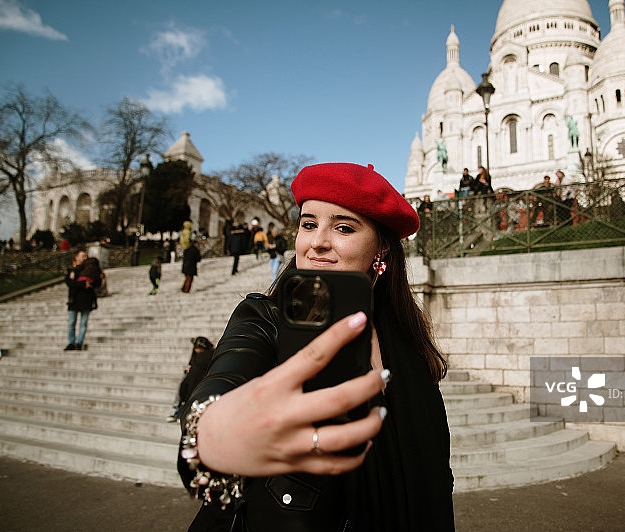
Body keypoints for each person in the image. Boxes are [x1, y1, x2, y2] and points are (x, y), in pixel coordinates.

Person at [177, 162, 454, 531]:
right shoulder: (263, 318)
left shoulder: (410, 348)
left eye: (343, 227)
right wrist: (211, 433)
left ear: (382, 249)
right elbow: (225, 377)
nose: (317, 241)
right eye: (308, 224)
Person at [167, 336, 216, 422]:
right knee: (184, 385)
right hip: (192, 376)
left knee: (186, 386)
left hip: (198, 378)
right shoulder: (197, 356)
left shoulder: (207, 355)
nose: (197, 351)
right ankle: (175, 411)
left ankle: (178, 412)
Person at [65, 249, 100, 351]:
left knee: (83, 323)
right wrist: (83, 284)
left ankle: (79, 342)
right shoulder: (72, 270)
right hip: (74, 299)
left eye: (85, 256)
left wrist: (91, 284)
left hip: (86, 298)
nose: (84, 258)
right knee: (71, 322)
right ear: (76, 257)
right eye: (82, 256)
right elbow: (69, 283)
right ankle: (71, 342)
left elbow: (97, 282)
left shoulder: (91, 268)